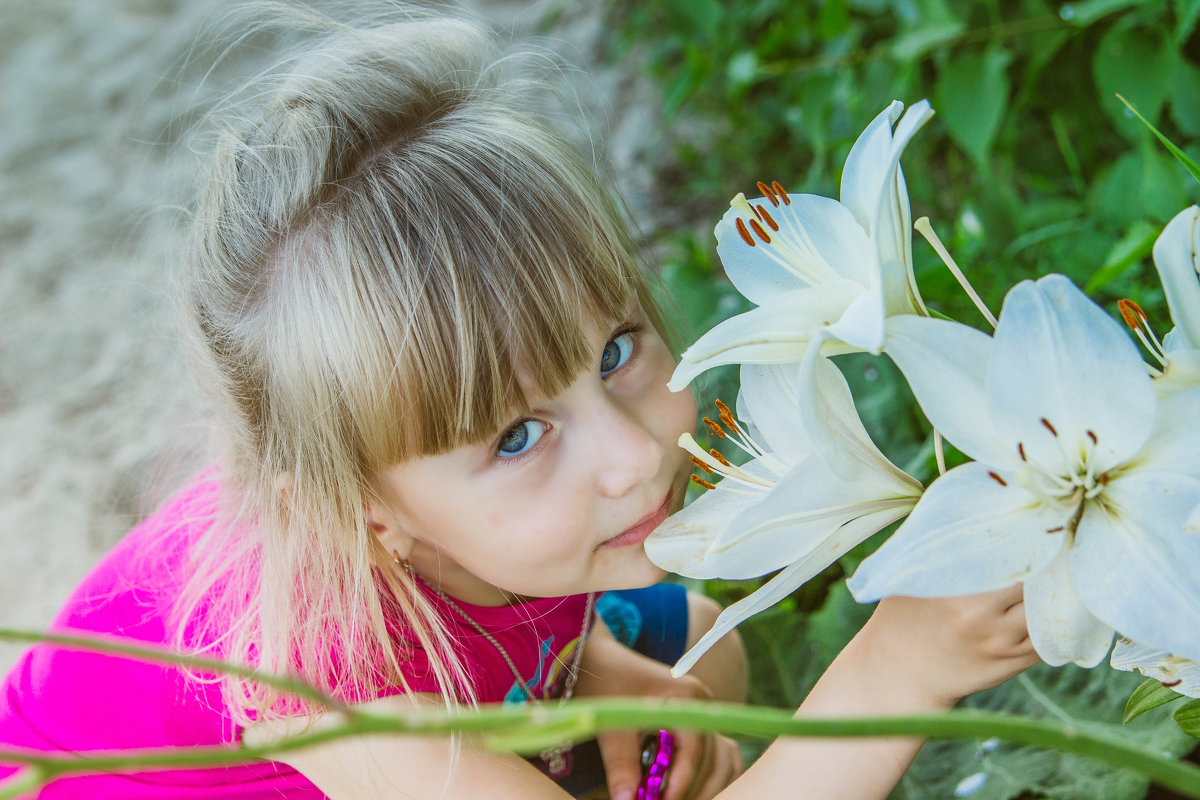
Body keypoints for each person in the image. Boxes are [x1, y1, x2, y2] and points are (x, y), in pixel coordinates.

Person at [0, 6, 1038, 799]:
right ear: (369, 513)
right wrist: (896, 668)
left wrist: (601, 666)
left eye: (618, 349)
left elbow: (573, 613)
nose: (633, 452)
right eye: (519, 434)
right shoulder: (358, 707)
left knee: (709, 639)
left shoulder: (480, 518)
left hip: (477, 633)